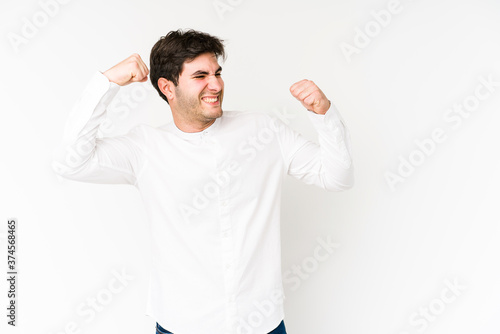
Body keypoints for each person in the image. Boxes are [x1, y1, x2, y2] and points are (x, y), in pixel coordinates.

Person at [52, 29, 354, 334]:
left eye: (217, 73)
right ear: (167, 87)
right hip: (181, 325)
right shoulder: (145, 148)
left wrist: (323, 114)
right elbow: (70, 162)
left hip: (262, 323)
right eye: (201, 76)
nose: (216, 84)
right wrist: (107, 82)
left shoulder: (264, 130)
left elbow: (336, 176)